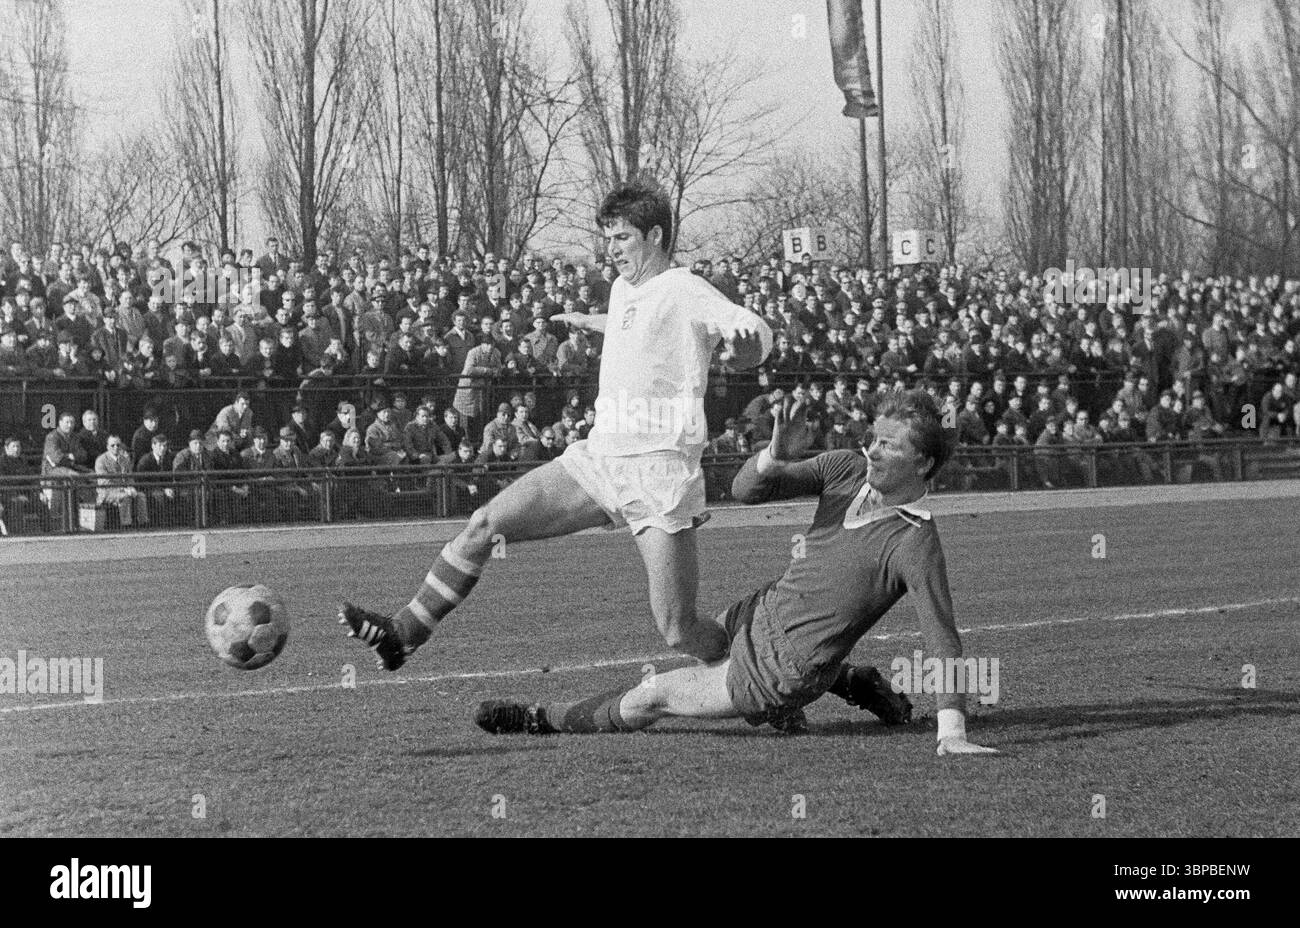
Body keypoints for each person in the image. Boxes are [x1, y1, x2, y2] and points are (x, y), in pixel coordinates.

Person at [339, 181, 772, 671]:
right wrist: (592, 321)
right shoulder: (624, 288)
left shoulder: (685, 288)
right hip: (600, 460)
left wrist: (746, 349)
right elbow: (637, 322)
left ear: (655, 235)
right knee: (484, 524)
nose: (612, 250)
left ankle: (762, 673)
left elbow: (751, 330)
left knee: (678, 629)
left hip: (658, 472)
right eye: (608, 239)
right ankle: (403, 633)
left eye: (623, 238)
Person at [473, 391, 996, 756]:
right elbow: (745, 491)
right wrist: (774, 457)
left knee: (652, 695)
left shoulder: (914, 541)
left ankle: (538, 717)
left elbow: (942, 638)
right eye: (873, 439)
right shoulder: (845, 469)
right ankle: (851, 680)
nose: (873, 451)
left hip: (782, 671)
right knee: (679, 632)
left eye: (890, 446)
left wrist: (951, 730)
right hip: (758, 612)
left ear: (924, 464)